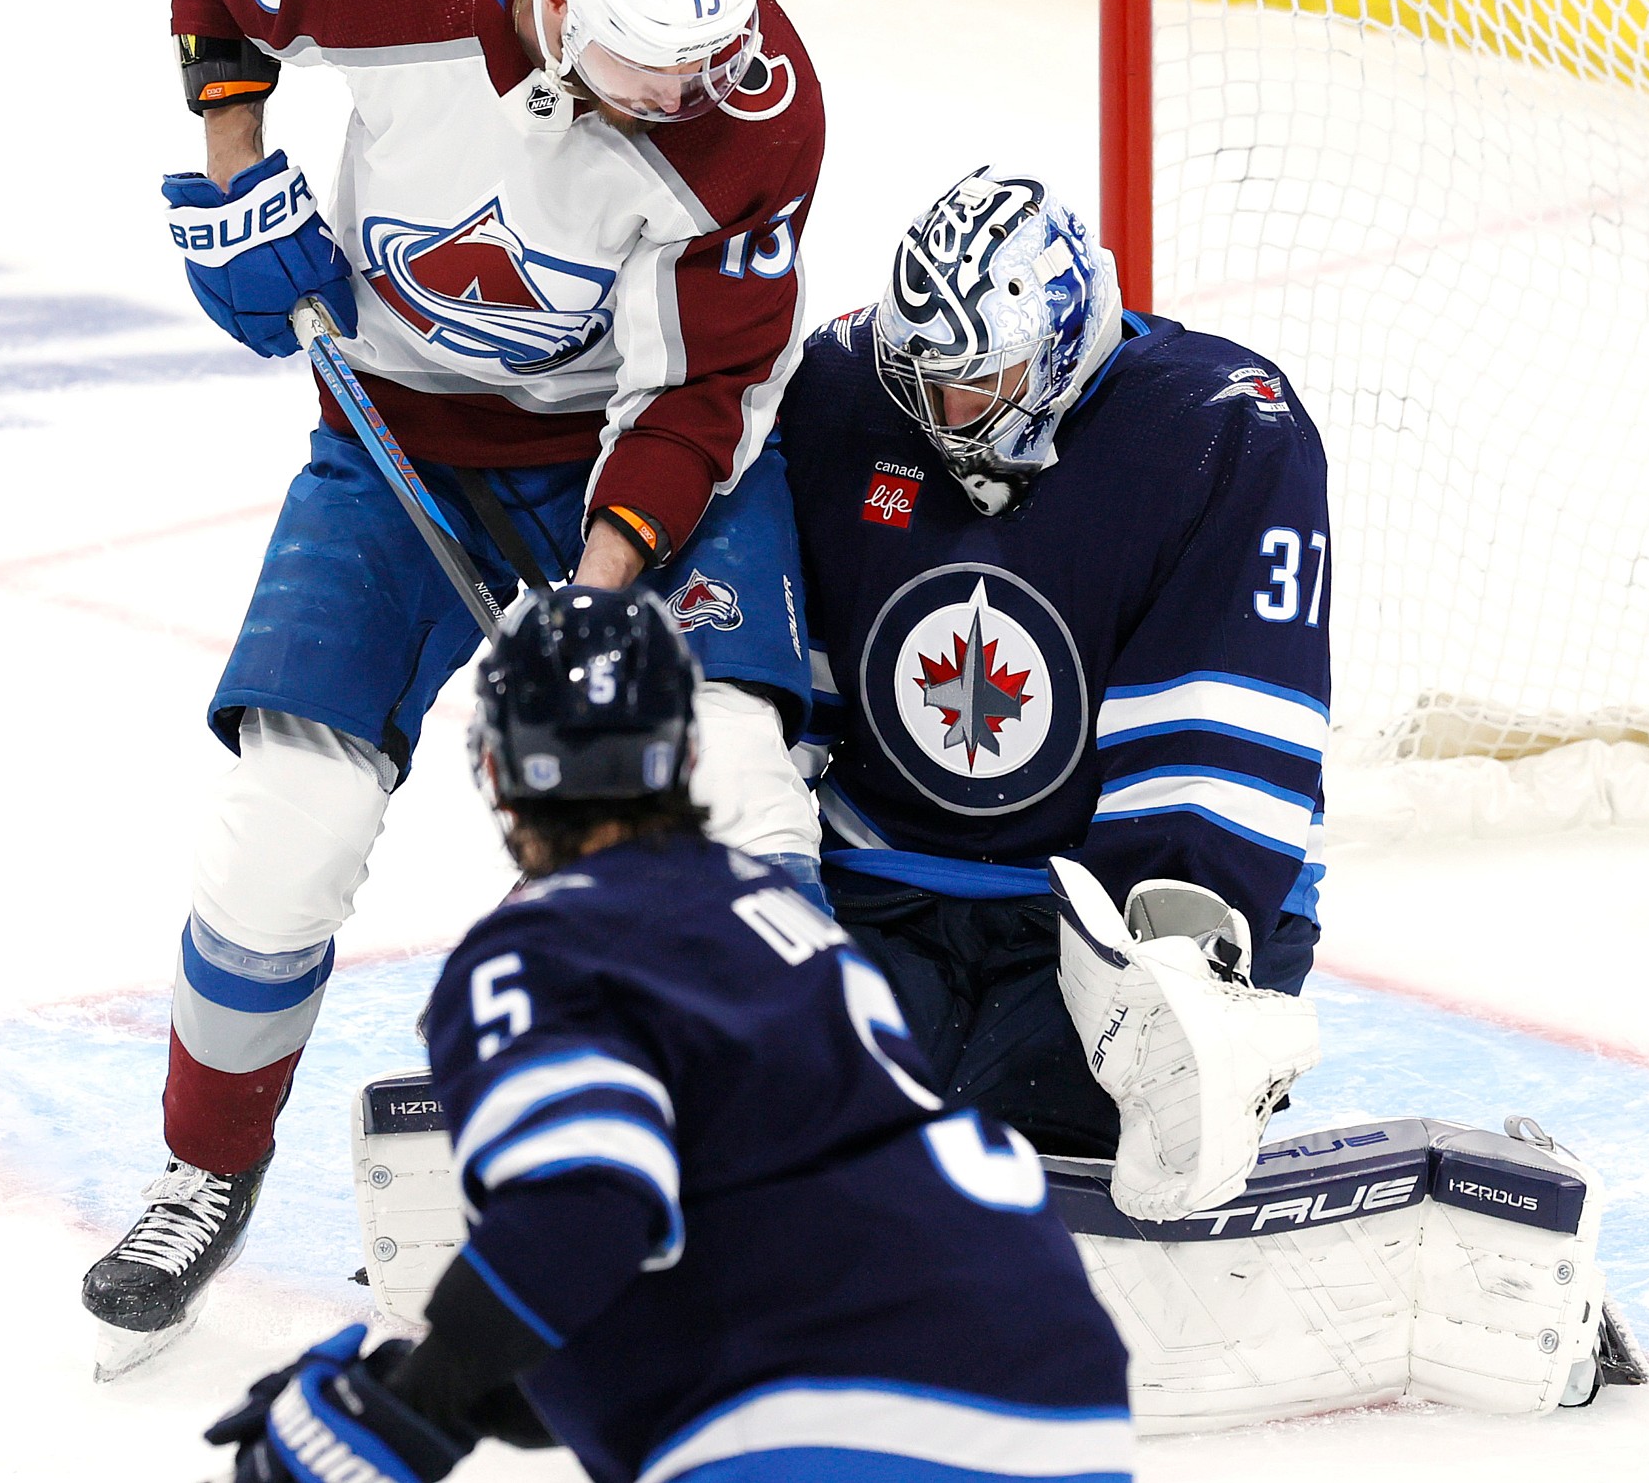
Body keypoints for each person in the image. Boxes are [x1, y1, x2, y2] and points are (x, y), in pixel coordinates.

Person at [84, 0, 826, 1369]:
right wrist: (236, 166)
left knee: (740, 780)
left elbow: (700, 389)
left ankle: (807, 1163)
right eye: (657, 61)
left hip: (637, 445)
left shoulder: (754, 107)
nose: (700, 87)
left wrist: (604, 601)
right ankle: (207, 1165)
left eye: (717, 49)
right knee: (291, 822)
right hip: (392, 431)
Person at [200, 586, 1134, 1483]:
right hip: (1059, 1391)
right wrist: (433, 1386)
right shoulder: (795, 927)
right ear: (688, 756)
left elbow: (582, 1211)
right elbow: (632, 1310)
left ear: (494, 766)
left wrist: (416, 1409)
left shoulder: (543, 946)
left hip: (827, 1403)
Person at [777, 168, 1329, 1220]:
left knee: (1030, 1158)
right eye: (923, 378)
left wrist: (1173, 970)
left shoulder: (1220, 427)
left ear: (1062, 346)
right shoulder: (846, 390)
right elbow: (774, 672)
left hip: (1106, 915)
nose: (942, 416)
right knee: (795, 1125)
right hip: (884, 882)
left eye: (977, 383)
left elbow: (1219, 736)